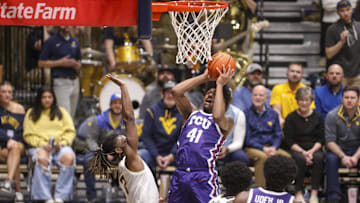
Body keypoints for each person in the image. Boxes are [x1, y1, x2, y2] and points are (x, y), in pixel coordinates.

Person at [88, 74, 159, 203]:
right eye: (119, 138)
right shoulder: (131, 159)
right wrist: (123, 87)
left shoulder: (124, 165)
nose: (122, 136)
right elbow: (129, 118)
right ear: (119, 149)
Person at [168, 67, 234, 203]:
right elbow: (176, 91)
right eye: (208, 93)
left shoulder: (227, 121)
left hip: (203, 175)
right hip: (180, 173)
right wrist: (204, 77)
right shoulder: (191, 113)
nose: (210, 96)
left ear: (224, 103)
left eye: (215, 95)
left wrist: (220, 84)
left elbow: (217, 115)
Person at [23, 87, 76, 202]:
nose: (47, 100)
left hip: (59, 146)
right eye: (44, 97)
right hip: (39, 146)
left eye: (49, 97)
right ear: (39, 99)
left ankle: (61, 197)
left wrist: (63, 143)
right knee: (42, 158)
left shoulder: (62, 112)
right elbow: (28, 135)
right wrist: (42, 144)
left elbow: (70, 132)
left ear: (53, 98)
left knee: (69, 157)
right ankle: (45, 197)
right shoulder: (31, 113)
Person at [283, 87, 325, 203]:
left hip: (314, 148)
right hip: (296, 148)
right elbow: (289, 140)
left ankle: (314, 193)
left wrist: (311, 152)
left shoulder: (318, 117)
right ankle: (298, 192)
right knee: (300, 159)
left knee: (319, 157)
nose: (304, 103)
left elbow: (321, 139)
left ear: (311, 101)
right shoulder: (291, 117)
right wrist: (304, 152)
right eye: (301, 100)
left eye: (307, 100)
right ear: (297, 101)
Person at [244, 84, 290, 187]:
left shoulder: (273, 114)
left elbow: (278, 134)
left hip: (271, 147)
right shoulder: (245, 114)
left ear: (266, 97)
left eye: (261, 95)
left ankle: (281, 189)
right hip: (252, 147)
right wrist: (263, 148)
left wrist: (274, 147)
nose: (258, 98)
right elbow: (247, 138)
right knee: (262, 157)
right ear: (251, 96)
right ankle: (260, 190)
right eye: (255, 95)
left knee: (287, 158)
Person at [83, 92, 126, 201]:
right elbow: (90, 138)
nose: (117, 105)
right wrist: (101, 152)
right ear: (110, 105)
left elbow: (129, 141)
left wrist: (118, 153)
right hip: (100, 151)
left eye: (120, 103)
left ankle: (125, 194)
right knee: (88, 160)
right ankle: (91, 196)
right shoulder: (99, 120)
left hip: (119, 153)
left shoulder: (127, 121)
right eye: (114, 103)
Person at [325, 86, 360, 203]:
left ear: (358, 99)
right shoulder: (332, 115)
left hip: (357, 150)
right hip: (338, 150)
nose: (349, 100)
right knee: (330, 158)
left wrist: (355, 157)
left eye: (352, 98)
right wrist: (343, 156)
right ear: (342, 99)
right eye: (346, 97)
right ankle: (333, 197)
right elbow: (330, 141)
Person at [38, 26, 81, 118]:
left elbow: (79, 61)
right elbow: (41, 63)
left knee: (72, 114)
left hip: (74, 80)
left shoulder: (75, 41)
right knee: (65, 113)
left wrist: (76, 65)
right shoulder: (51, 41)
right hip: (61, 81)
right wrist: (60, 63)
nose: (66, 26)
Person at [139, 81, 183, 172]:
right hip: (153, 153)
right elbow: (146, 137)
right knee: (139, 156)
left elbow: (182, 138)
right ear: (162, 94)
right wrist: (156, 156)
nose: (170, 96)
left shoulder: (183, 113)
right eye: (167, 92)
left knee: (192, 158)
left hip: (175, 154)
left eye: (173, 93)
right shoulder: (151, 112)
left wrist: (171, 156)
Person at [325, 0, 360, 89]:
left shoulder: (359, 27)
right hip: (341, 75)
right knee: (341, 101)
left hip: (358, 74)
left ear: (352, 10)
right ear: (337, 12)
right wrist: (341, 42)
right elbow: (329, 54)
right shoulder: (332, 29)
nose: (346, 13)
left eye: (348, 10)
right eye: (342, 11)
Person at [0, 81, 25, 201]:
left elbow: (23, 130)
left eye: (9, 92)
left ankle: (8, 182)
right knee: (14, 156)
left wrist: (13, 140)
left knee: (15, 148)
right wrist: (7, 139)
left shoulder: (19, 109)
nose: (7, 94)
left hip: (18, 143)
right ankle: (18, 192)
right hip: (3, 146)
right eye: (3, 92)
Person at [270, 63, 314, 127]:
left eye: (298, 72)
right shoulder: (278, 89)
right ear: (287, 74)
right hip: (283, 126)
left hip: (302, 127)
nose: (295, 74)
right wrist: (285, 125)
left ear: (301, 75)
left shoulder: (306, 90)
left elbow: (309, 111)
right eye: (292, 71)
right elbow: (276, 111)